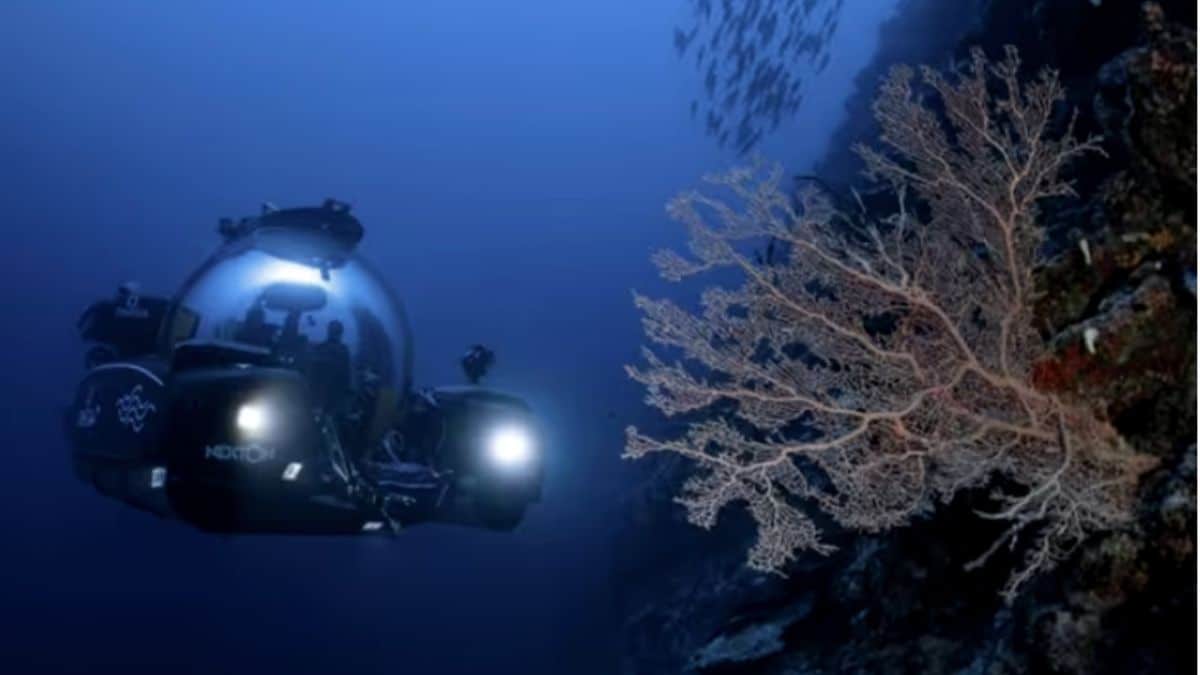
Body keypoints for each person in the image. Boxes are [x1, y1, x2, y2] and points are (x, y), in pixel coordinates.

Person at [308, 319, 352, 412]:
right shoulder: (342, 350)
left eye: (334, 330)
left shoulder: (320, 349)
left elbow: (346, 373)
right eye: (334, 330)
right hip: (327, 396)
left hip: (326, 395)